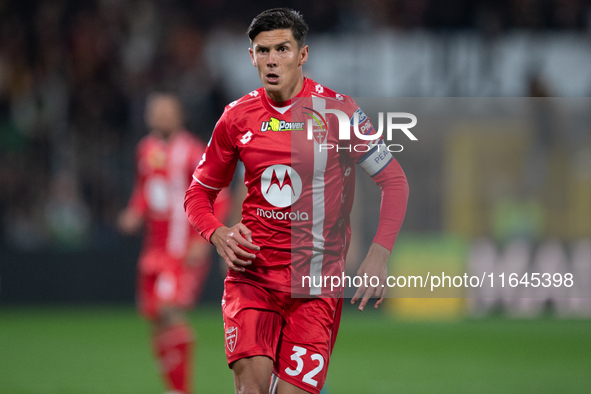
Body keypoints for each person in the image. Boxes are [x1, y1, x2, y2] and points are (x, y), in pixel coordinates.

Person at [184, 8, 408, 394]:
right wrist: (217, 234)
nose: (272, 60)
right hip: (252, 277)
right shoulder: (236, 119)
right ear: (250, 56)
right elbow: (198, 194)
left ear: (302, 54)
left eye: (282, 49)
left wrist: (379, 254)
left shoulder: (339, 112)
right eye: (262, 51)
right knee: (251, 389)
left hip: (316, 286)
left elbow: (394, 181)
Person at [118, 93, 228, 394]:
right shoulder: (146, 149)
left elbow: (218, 194)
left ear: (179, 116)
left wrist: (204, 238)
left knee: (169, 311)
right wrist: (134, 212)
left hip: (181, 249)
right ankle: (174, 388)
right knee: (155, 318)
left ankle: (181, 390)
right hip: (153, 249)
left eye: (167, 112)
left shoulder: (193, 151)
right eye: (156, 112)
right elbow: (145, 190)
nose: (161, 117)